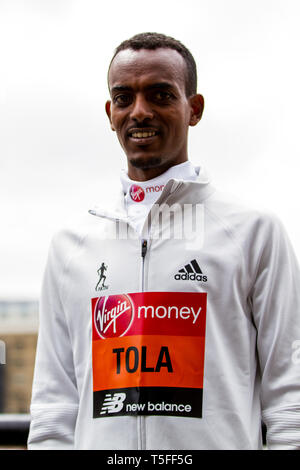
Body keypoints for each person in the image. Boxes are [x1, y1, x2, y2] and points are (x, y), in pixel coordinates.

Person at [27, 32, 300, 450]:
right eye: (124, 98)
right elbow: (53, 408)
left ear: (194, 108)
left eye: (160, 95)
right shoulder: (71, 245)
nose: (140, 112)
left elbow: (289, 397)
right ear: (110, 112)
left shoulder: (254, 232)